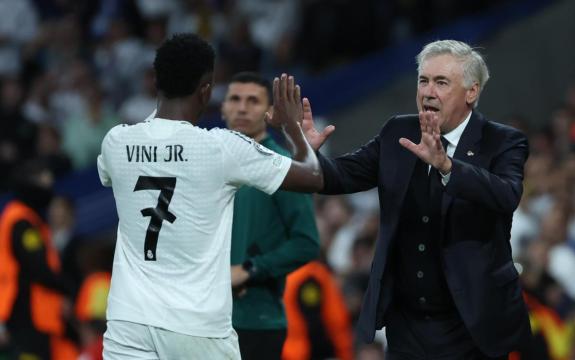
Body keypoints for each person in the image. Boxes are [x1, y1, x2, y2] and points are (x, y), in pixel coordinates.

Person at [301, 39, 532, 359]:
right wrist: (307, 154)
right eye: (423, 80)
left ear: (471, 92)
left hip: (473, 323)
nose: (428, 91)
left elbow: (507, 194)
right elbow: (340, 176)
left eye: (441, 82)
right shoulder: (398, 131)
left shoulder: (503, 141)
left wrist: (447, 166)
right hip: (407, 323)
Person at [96, 33, 322, 359]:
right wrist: (294, 132)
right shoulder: (221, 147)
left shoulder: (116, 142)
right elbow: (313, 176)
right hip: (197, 326)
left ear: (157, 83)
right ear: (206, 91)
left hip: (128, 322)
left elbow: (114, 169)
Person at [222, 71, 320, 360]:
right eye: (235, 99)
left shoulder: (283, 168)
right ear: (223, 108)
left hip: (255, 320)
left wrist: (249, 269)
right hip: (207, 317)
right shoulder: (210, 163)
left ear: (269, 112)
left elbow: (307, 243)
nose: (242, 107)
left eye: (253, 101)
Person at [0, 160, 76, 360]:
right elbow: (37, 267)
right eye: (43, 181)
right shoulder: (21, 221)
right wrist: (67, 288)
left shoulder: (25, 217)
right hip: (26, 311)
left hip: (33, 314)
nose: (48, 187)